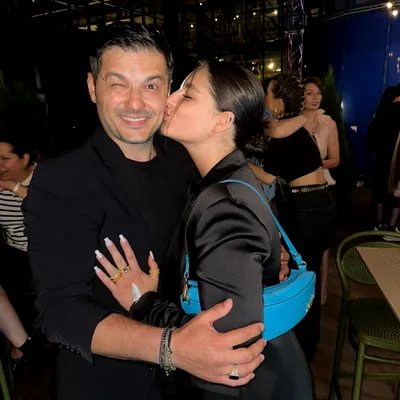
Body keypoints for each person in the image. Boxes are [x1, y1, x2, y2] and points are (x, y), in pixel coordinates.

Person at [22, 23, 269, 400]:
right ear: (92, 87)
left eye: (151, 86)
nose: (135, 103)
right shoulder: (62, 179)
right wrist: (172, 347)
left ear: (168, 90)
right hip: (109, 385)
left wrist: (252, 256)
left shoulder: (183, 158)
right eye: (118, 84)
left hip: (187, 384)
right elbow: (59, 313)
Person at [94, 60, 313, 399]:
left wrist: (144, 302)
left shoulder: (227, 207)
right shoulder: (227, 178)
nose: (169, 99)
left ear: (222, 121)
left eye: (187, 94)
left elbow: (226, 350)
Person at [249, 73, 336, 364]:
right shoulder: (291, 128)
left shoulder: (282, 132)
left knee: (301, 275)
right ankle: (308, 341)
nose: (264, 98)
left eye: (268, 93)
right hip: (319, 203)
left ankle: (301, 347)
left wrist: (240, 163)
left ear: (277, 102)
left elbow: (267, 176)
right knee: (308, 273)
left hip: (305, 208)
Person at [302, 77, 340, 305]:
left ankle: (322, 286)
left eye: (318, 93)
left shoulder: (328, 123)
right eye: (309, 93)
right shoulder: (292, 122)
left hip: (321, 190)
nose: (315, 97)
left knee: (322, 245)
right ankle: (302, 290)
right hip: (296, 193)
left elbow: (335, 160)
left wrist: (312, 164)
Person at [0, 122, 39, 326]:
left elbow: (49, 207)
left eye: (5, 159)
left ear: (24, 158)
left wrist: (14, 187)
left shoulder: (48, 175)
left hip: (49, 252)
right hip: (15, 255)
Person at [368, 84, 400, 238]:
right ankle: (391, 227)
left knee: (379, 192)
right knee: (396, 194)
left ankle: (378, 224)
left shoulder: (381, 112)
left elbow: (370, 139)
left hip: (381, 159)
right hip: (397, 160)